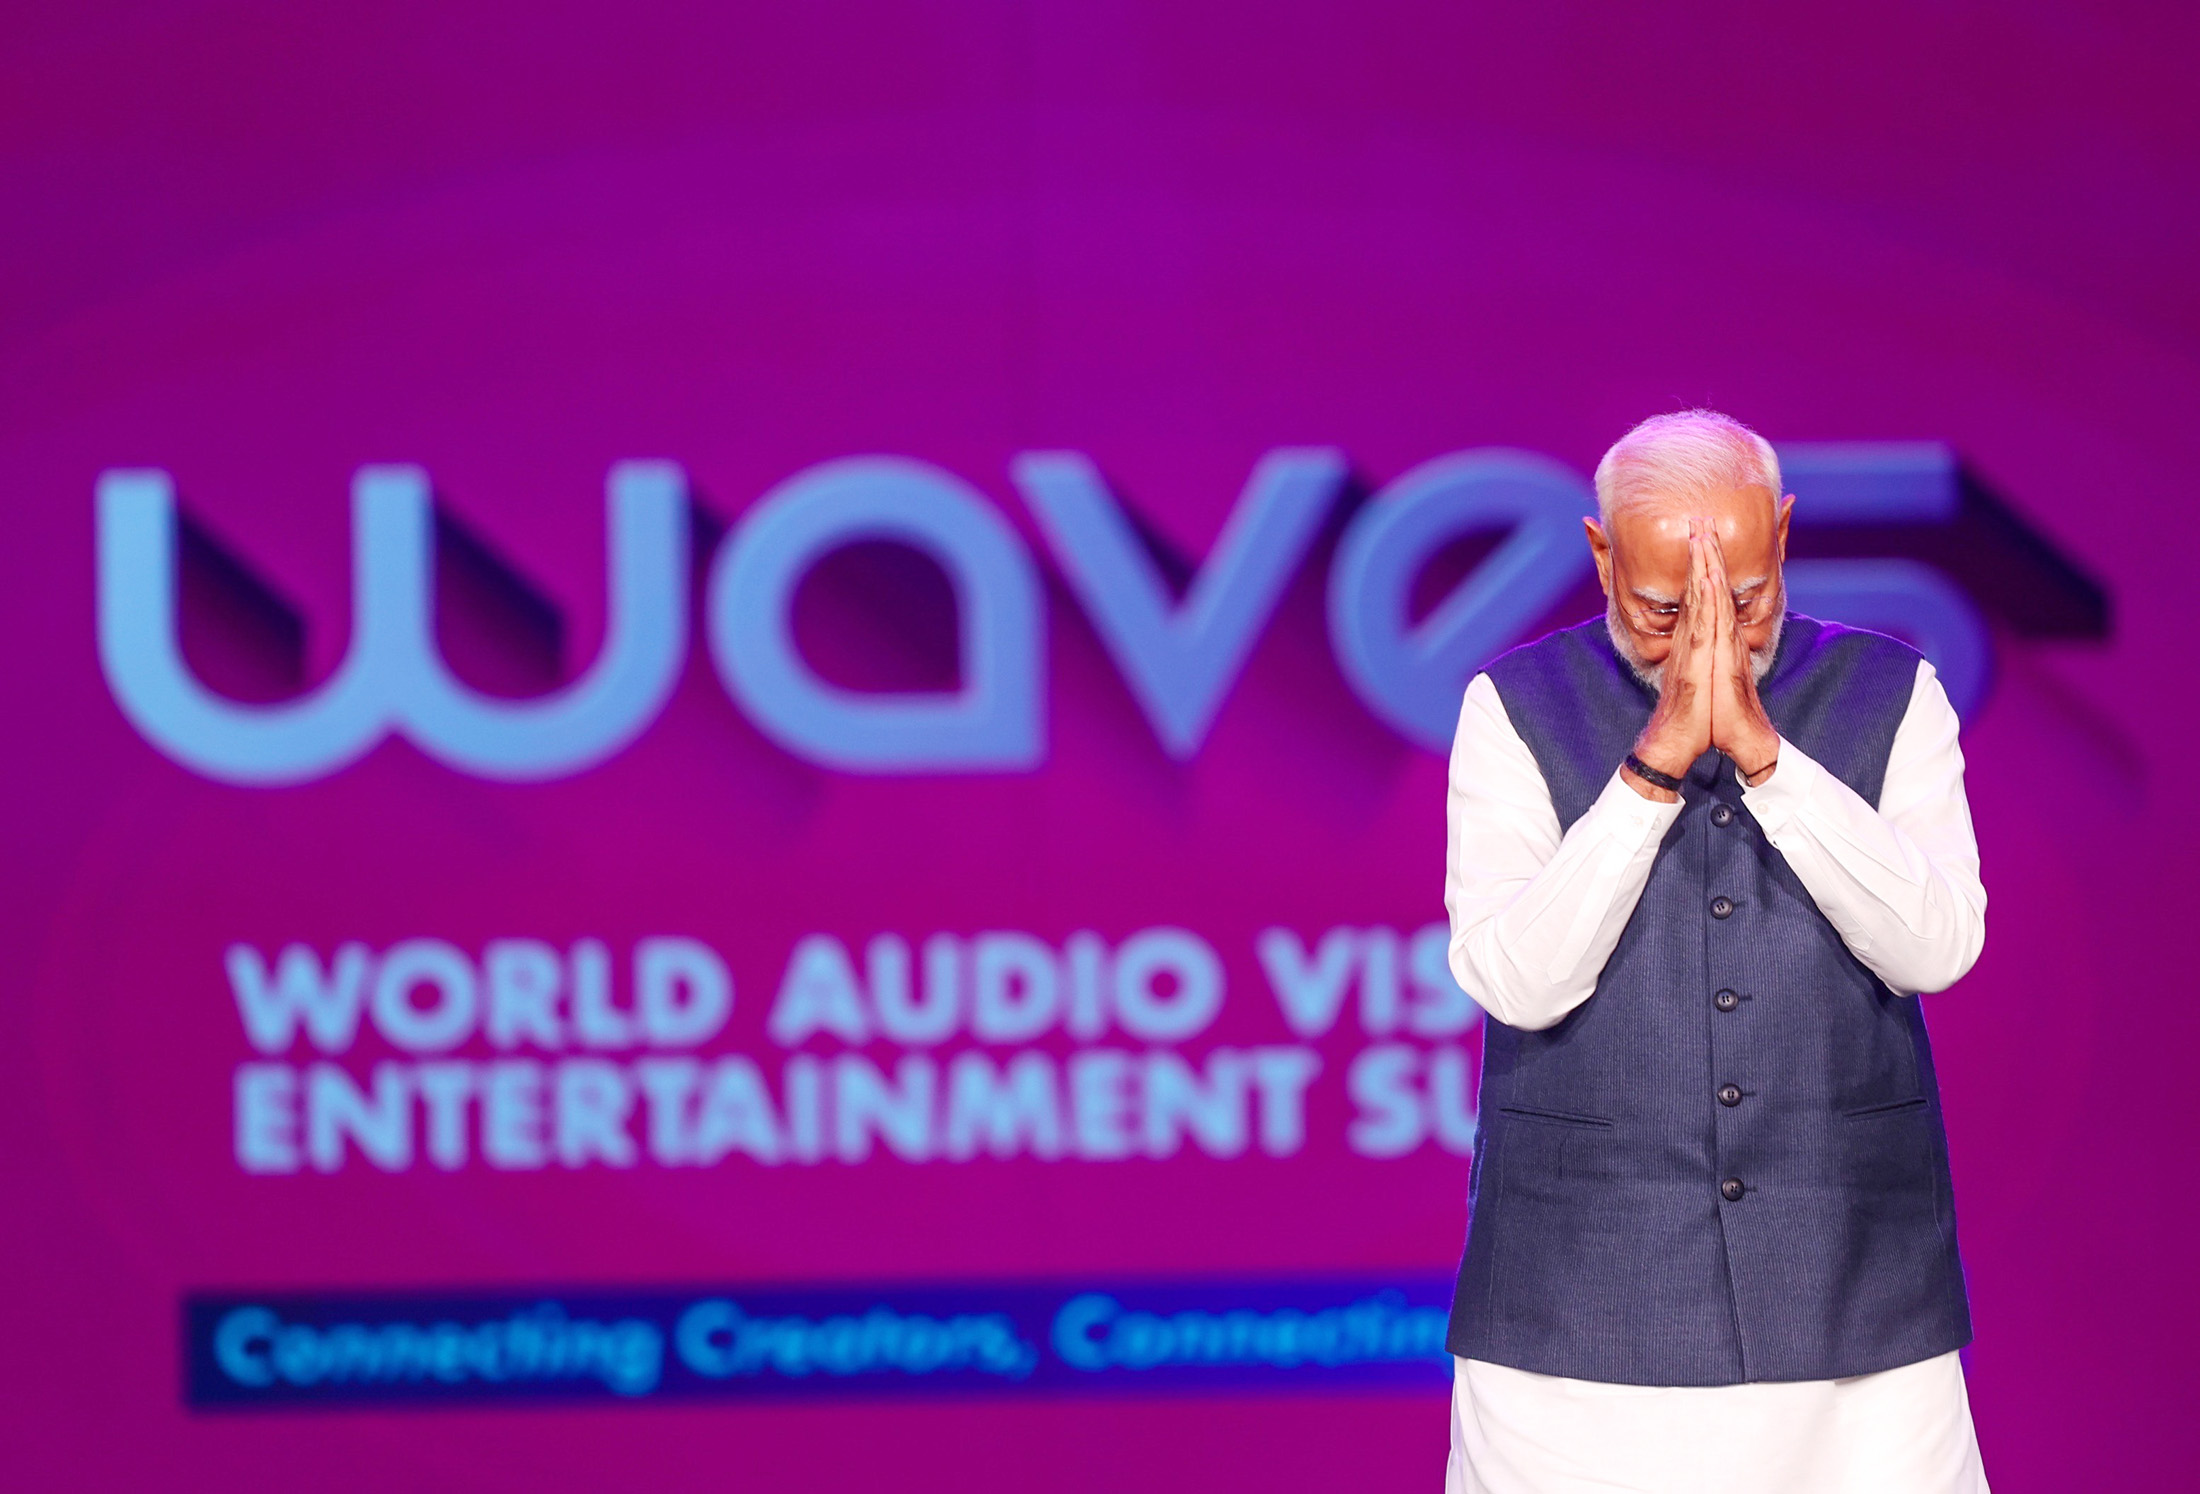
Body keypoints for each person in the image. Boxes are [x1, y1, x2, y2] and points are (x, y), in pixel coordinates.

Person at [1440, 410, 1990, 1493]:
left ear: (1781, 536)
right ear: (1601, 555)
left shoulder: (1893, 693)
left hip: (1858, 1296)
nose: (1709, 636)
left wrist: (1767, 758)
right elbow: (1516, 979)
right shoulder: (1511, 707)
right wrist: (1650, 770)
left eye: (1744, 599)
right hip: (1574, 1308)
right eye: (1664, 608)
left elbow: (1937, 948)